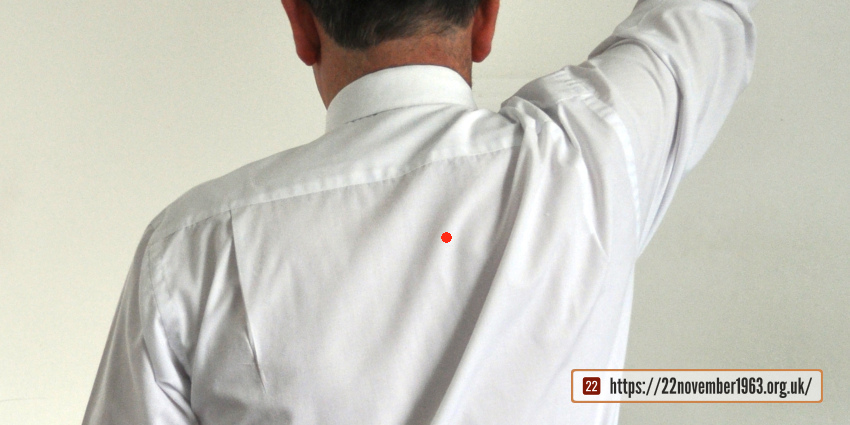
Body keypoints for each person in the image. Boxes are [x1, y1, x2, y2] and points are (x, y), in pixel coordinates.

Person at [82, 0, 757, 423]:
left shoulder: (192, 248)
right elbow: (706, 14)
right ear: (487, 17)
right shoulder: (584, 157)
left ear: (300, 24)